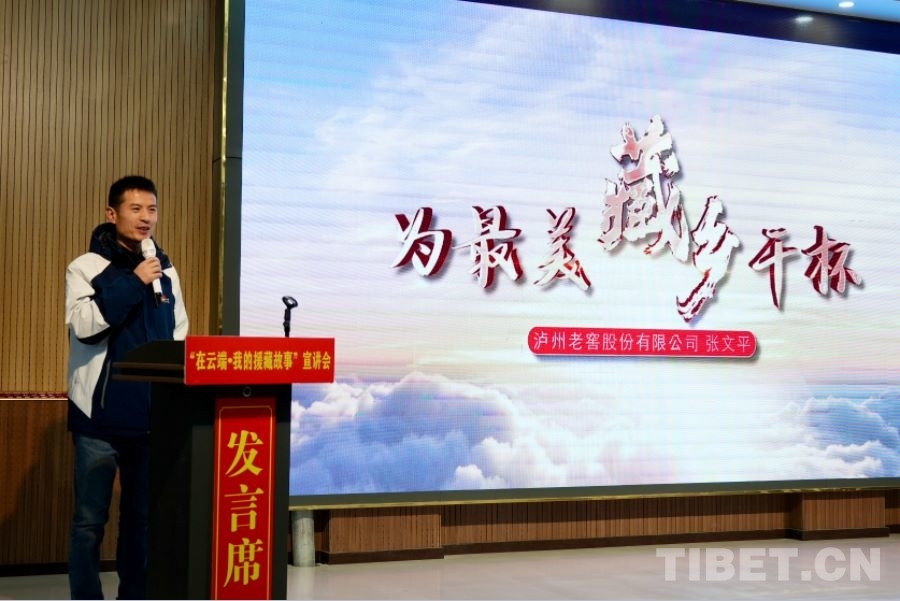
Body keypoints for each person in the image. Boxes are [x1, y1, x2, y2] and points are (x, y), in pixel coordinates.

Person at [65, 175, 189, 599]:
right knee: (88, 523)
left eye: (152, 209)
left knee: (141, 520)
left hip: (151, 419)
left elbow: (178, 336)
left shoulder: (164, 271)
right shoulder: (86, 267)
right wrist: (134, 281)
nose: (145, 218)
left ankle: (135, 595)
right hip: (99, 418)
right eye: (136, 209)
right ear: (112, 213)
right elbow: (85, 327)